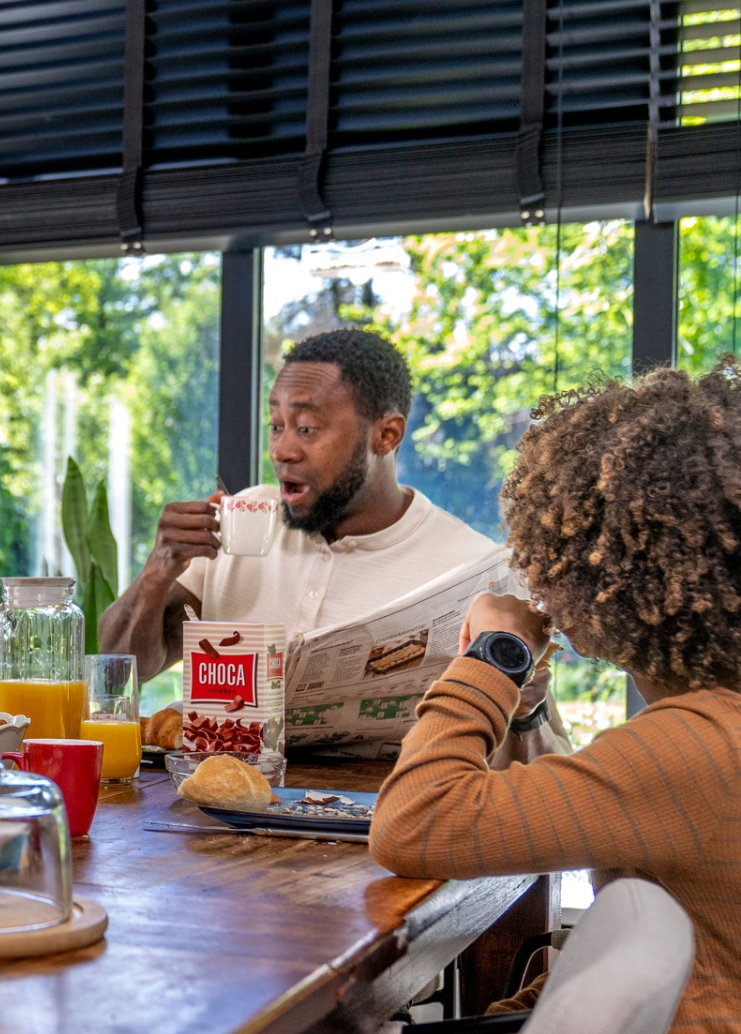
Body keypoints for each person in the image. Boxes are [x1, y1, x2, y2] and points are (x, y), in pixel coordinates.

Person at [371, 363, 741, 1033]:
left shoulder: (700, 745)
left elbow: (415, 822)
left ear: (614, 567)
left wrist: (494, 654)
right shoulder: (714, 721)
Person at [100, 327, 568, 760]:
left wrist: (522, 701)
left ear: (386, 435)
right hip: (207, 808)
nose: (282, 450)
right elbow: (121, 671)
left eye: (306, 428)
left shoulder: (474, 569)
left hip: (376, 829)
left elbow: (540, 769)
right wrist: (156, 573)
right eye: (276, 425)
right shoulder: (243, 517)